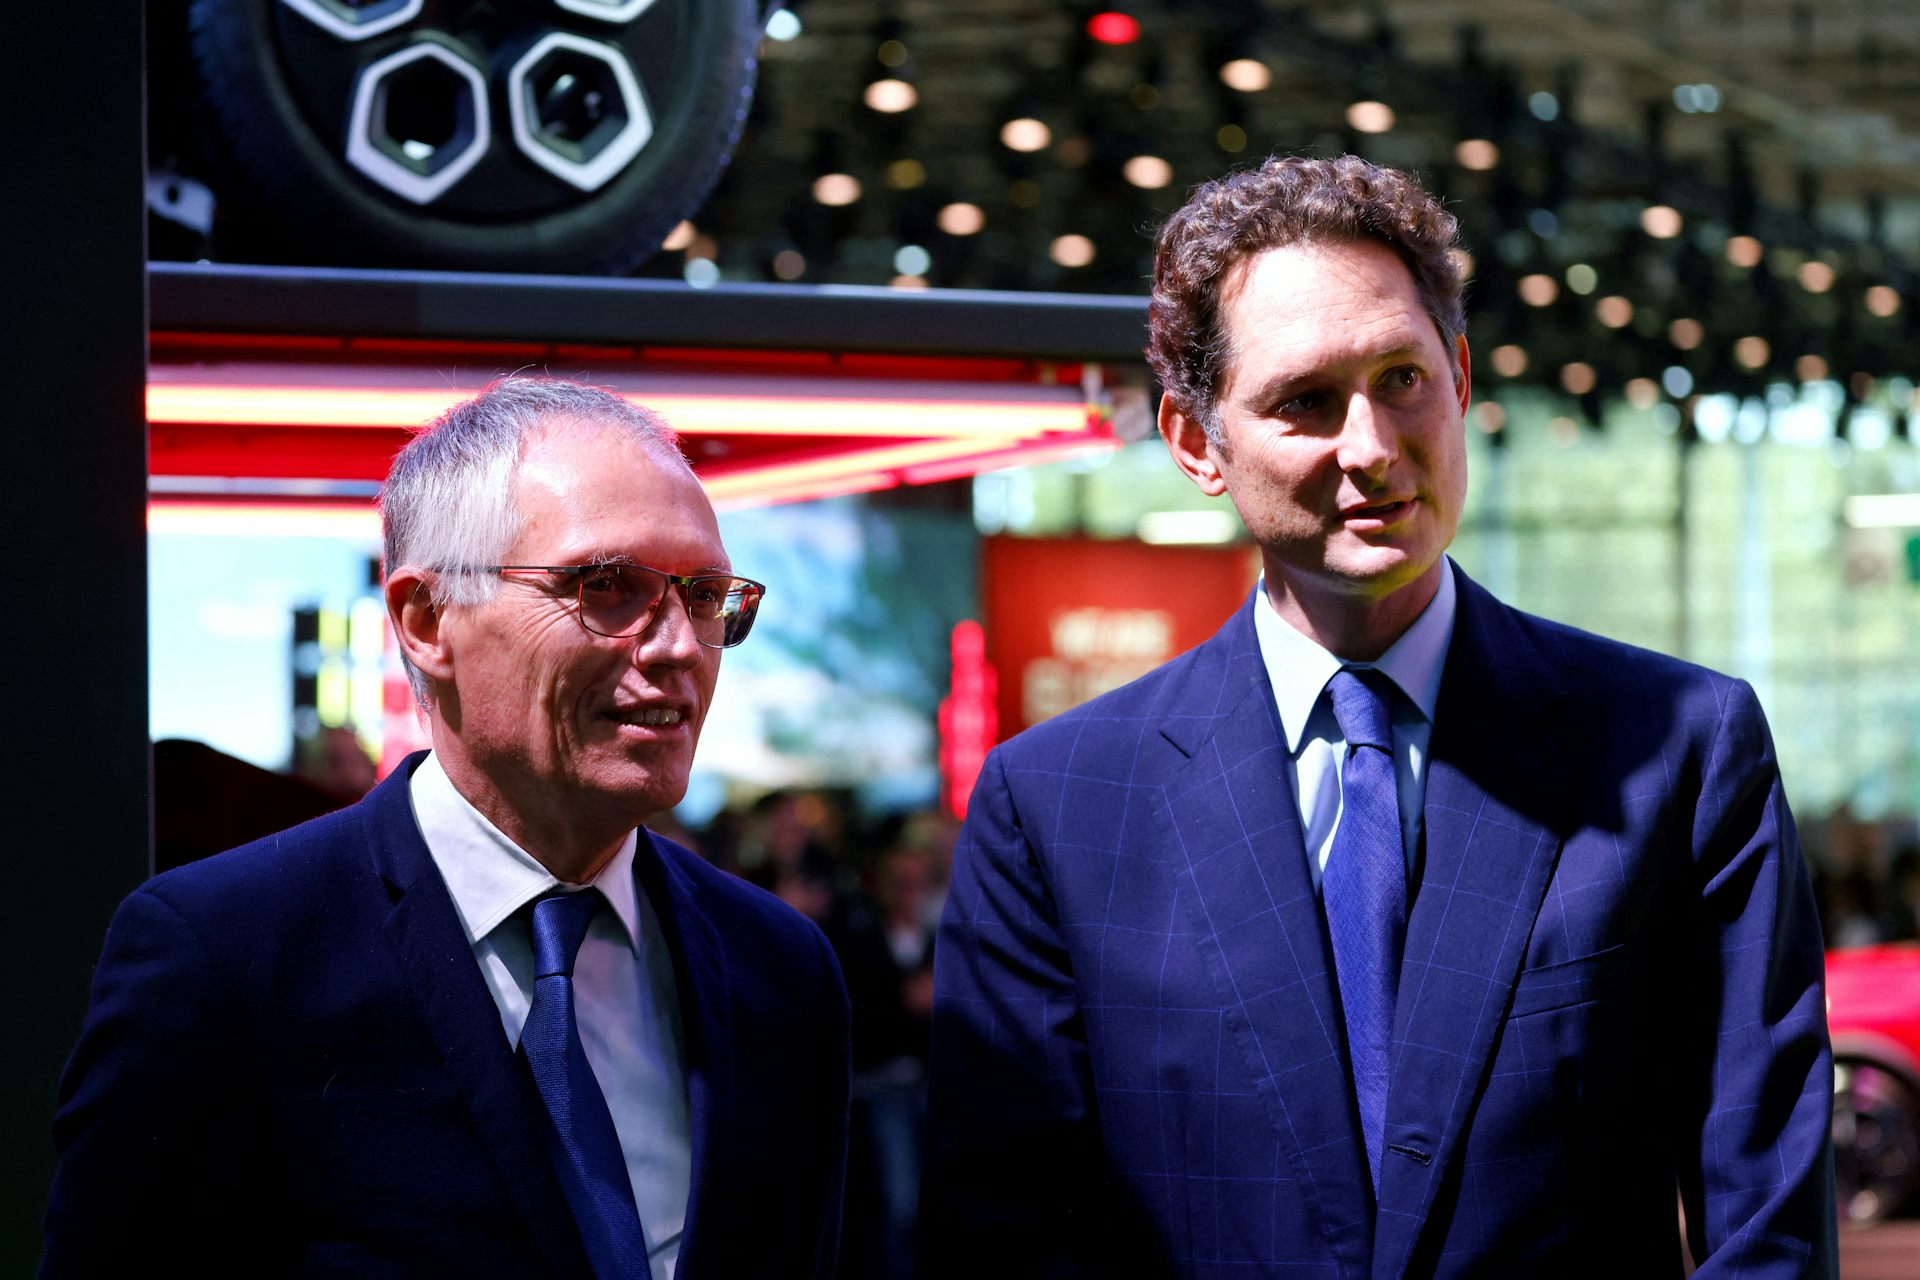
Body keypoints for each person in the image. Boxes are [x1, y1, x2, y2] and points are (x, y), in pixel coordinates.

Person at [919, 157, 1835, 1278]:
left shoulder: (1675, 749)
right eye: (1305, 399)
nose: (1369, 445)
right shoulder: (1057, 808)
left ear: (1457, 376)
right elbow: (1002, 1240)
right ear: (1196, 440)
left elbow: (1768, 1229)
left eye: (1401, 377)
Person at [45, 378, 851, 1277]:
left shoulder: (778, 968)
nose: (675, 647)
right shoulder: (229, 956)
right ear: (427, 622)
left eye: (703, 596)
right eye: (608, 587)